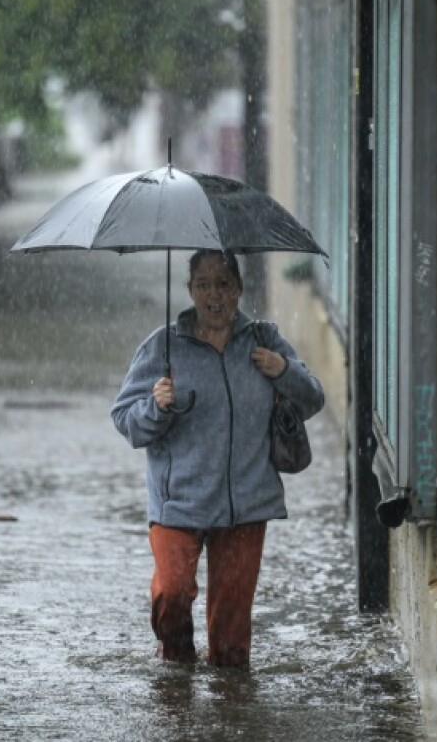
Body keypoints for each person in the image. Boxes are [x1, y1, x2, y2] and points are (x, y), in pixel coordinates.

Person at [111, 249, 325, 667]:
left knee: (230, 645)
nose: (214, 295)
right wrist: (156, 406)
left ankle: (230, 717)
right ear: (189, 290)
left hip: (246, 504)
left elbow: (313, 398)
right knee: (172, 595)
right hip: (179, 503)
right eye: (204, 285)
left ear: (239, 289)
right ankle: (175, 674)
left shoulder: (264, 339)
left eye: (224, 284)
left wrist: (283, 369)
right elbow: (124, 419)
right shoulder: (163, 347)